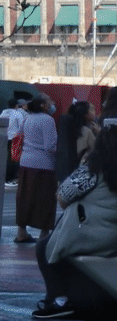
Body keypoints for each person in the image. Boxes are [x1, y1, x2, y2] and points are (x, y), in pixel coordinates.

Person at [33, 125, 117, 319]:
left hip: (99, 237)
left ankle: (58, 299)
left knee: (44, 247)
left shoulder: (94, 168)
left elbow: (63, 198)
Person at [15, 96, 58, 244]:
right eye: (50, 102)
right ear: (43, 105)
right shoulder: (48, 120)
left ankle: (21, 232)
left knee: (24, 198)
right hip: (43, 164)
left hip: (25, 162)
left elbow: (19, 134)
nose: (52, 105)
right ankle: (44, 234)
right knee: (44, 199)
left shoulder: (27, 118)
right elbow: (50, 146)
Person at [55, 100, 98, 181]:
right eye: (92, 109)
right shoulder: (86, 131)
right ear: (85, 114)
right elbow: (97, 148)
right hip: (79, 171)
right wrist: (99, 133)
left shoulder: (68, 127)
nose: (95, 112)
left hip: (63, 170)